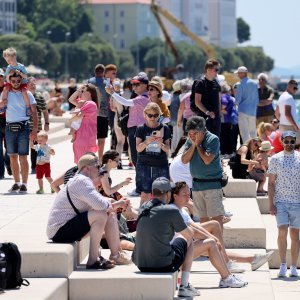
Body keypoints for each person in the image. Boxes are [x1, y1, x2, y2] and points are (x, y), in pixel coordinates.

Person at [47, 154, 132, 269]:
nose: (99, 170)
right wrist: (115, 203)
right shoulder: (81, 181)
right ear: (86, 168)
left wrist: (112, 202)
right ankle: (93, 260)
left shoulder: (80, 180)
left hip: (64, 228)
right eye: (97, 167)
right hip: (59, 231)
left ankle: (116, 255)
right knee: (101, 214)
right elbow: (100, 205)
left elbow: (98, 202)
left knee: (108, 213)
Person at [171, 181, 274, 273]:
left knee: (214, 226)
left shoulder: (182, 210)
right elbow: (193, 232)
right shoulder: (173, 211)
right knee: (212, 245)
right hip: (178, 253)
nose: (187, 197)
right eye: (184, 194)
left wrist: (214, 239)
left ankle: (251, 260)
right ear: (175, 196)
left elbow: (195, 226)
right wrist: (213, 239)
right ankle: (228, 273)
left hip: (187, 246)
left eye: (189, 194)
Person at [132, 177, 200, 298]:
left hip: (141, 264)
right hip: (163, 266)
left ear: (153, 193)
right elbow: (189, 235)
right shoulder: (171, 210)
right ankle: (184, 285)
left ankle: (181, 283)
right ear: (168, 194)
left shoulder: (143, 207)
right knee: (188, 237)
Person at [106, 73, 150, 197]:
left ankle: (140, 188)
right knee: (137, 160)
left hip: (136, 130)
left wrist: (112, 93)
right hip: (137, 130)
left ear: (145, 85)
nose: (134, 87)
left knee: (137, 160)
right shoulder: (145, 97)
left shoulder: (141, 98)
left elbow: (125, 102)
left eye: (137, 84)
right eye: (133, 84)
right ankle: (141, 187)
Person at [182, 116, 225, 230]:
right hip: (197, 186)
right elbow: (184, 160)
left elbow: (207, 160)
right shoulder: (190, 140)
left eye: (194, 133)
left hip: (212, 185)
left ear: (202, 131)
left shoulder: (213, 139)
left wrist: (199, 145)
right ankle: (207, 244)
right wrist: (193, 145)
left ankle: (219, 245)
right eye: (189, 134)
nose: (191, 136)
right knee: (203, 218)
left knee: (217, 218)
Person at [268, 131, 300, 277]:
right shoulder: (275, 159)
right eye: (286, 141)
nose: (289, 144)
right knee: (282, 231)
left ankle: (294, 266)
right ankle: (282, 264)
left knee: (295, 234)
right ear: (281, 141)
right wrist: (271, 203)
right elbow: (271, 183)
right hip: (280, 201)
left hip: (297, 202)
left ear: (295, 142)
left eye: (291, 141)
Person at [0, 72, 38, 193]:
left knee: (23, 156)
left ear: (21, 81)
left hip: (24, 127)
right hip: (9, 127)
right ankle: (16, 183)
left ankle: (24, 184)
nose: (16, 83)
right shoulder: (5, 93)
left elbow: (35, 113)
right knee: (12, 156)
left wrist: (35, 130)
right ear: (9, 81)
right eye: (13, 81)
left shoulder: (27, 93)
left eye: (18, 81)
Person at [135, 103, 171, 204]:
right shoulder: (141, 128)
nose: (152, 118)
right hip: (144, 164)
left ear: (159, 115)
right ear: (144, 115)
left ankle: (161, 217)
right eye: (150, 115)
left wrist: (161, 144)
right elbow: (138, 148)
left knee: (162, 194)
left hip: (160, 164)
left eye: (155, 115)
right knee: (145, 194)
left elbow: (168, 149)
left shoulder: (165, 128)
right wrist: (147, 142)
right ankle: (142, 218)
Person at [68, 83, 98, 163]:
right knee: (82, 164)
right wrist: (78, 90)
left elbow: (78, 116)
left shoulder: (91, 104)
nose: (81, 93)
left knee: (84, 164)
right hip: (82, 138)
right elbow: (70, 99)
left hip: (85, 138)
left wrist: (70, 120)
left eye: (83, 91)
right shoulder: (84, 103)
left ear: (89, 93)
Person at [27, 76, 50, 174]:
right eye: (31, 84)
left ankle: (33, 167)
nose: (33, 86)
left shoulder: (39, 97)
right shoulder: (23, 96)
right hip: (24, 127)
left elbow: (45, 111)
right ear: (26, 85)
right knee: (23, 149)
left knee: (34, 148)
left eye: (34, 84)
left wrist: (47, 123)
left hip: (37, 128)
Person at [194, 59, 221, 137]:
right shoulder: (200, 83)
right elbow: (197, 101)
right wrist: (207, 112)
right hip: (204, 119)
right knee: (203, 142)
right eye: (216, 70)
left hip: (216, 119)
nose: (217, 72)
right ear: (208, 70)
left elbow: (218, 100)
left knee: (215, 141)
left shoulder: (216, 83)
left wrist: (219, 114)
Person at [0, 47, 31, 116]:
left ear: (14, 57)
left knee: (24, 92)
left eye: (9, 60)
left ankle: (28, 107)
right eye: (7, 61)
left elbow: (26, 76)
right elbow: (7, 78)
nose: (8, 62)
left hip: (22, 83)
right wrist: (10, 74)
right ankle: (3, 104)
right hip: (11, 83)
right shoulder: (9, 67)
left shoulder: (21, 66)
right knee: (5, 89)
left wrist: (19, 73)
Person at [87, 64, 109, 160]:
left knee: (90, 137)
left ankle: (90, 157)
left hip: (91, 113)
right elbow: (110, 98)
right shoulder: (106, 83)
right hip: (103, 114)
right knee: (101, 138)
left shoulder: (89, 82)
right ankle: (100, 159)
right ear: (103, 72)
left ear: (95, 71)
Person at [235, 66, 259, 143]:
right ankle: (255, 150)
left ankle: (247, 151)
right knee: (253, 132)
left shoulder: (239, 84)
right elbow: (257, 98)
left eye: (238, 73)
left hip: (243, 110)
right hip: (253, 111)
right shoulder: (254, 83)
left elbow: (238, 99)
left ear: (242, 73)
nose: (238, 75)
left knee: (244, 133)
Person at [0, 68, 11, 179]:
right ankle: (0, 172)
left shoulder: (9, 87)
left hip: (9, 121)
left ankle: (8, 163)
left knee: (9, 148)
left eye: (0, 76)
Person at [169, 80, 183, 154]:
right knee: (179, 136)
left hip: (173, 119)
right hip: (179, 119)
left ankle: (173, 151)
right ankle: (177, 152)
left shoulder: (172, 96)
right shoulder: (180, 97)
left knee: (174, 136)